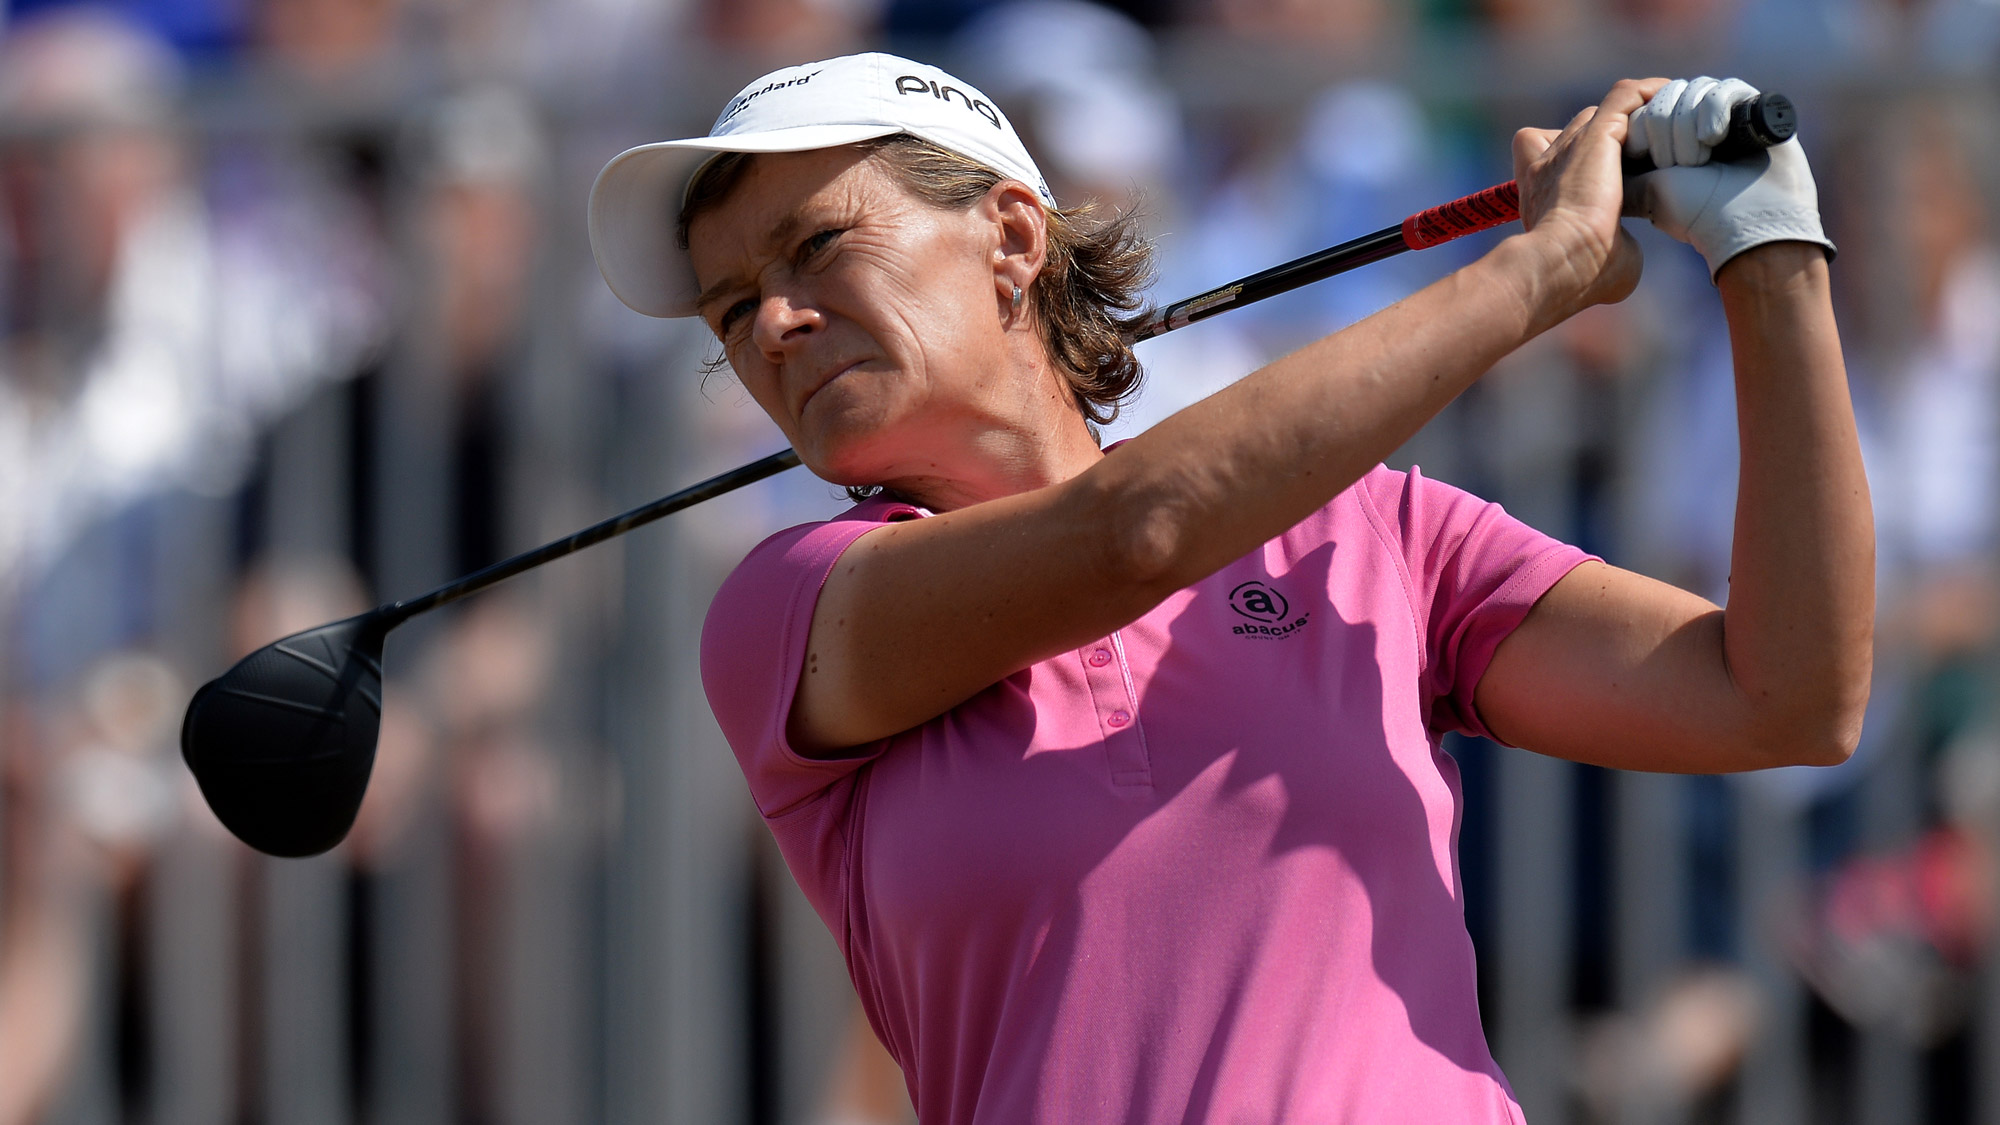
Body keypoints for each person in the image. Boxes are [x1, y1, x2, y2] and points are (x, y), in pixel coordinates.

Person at [587, 56, 1872, 1122]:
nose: (772, 324)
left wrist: (1768, 257)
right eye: (731, 307)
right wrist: (1533, 274)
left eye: (815, 248)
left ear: (1012, 237)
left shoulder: (1376, 530)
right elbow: (1133, 533)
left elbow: (1779, 696)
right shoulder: (785, 608)